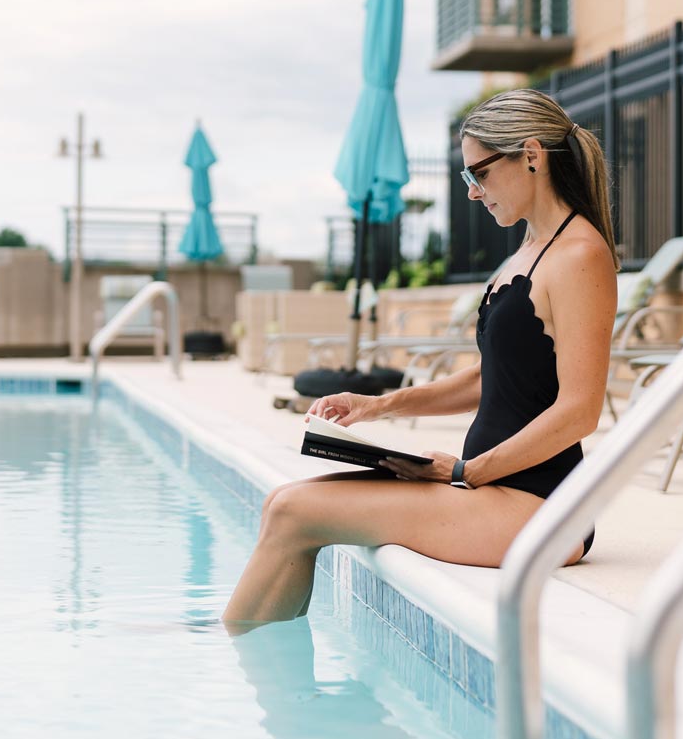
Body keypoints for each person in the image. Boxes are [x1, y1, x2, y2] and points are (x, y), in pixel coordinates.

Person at [222, 89, 617, 631]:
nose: (474, 194)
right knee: (280, 503)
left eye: (478, 173)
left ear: (531, 154)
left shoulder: (580, 256)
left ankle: (243, 665)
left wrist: (464, 471)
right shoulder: (529, 250)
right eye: (467, 179)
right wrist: (379, 406)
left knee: (295, 513)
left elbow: (579, 410)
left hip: (542, 507)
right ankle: (251, 656)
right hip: (492, 490)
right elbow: (493, 378)